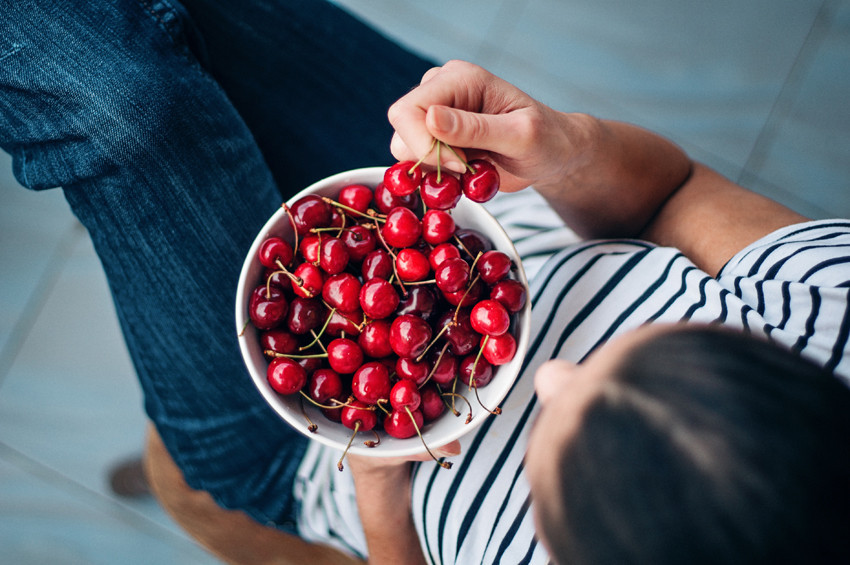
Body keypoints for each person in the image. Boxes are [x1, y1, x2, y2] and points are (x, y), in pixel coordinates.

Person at [3, 2, 849, 563]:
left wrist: (378, 471)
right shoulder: (831, 306)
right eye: (653, 351)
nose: (552, 371)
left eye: (560, 451)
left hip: (309, 452)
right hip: (454, 213)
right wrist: (563, 147)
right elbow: (677, 194)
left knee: (120, 106)